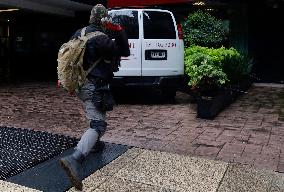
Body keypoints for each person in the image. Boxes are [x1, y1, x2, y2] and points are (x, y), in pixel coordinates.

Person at [59, 4, 130, 190]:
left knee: (94, 115)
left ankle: (95, 144)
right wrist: (119, 30)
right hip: (94, 87)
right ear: (104, 20)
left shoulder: (79, 32)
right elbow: (124, 51)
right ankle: (75, 159)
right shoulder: (102, 39)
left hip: (81, 85)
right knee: (98, 124)